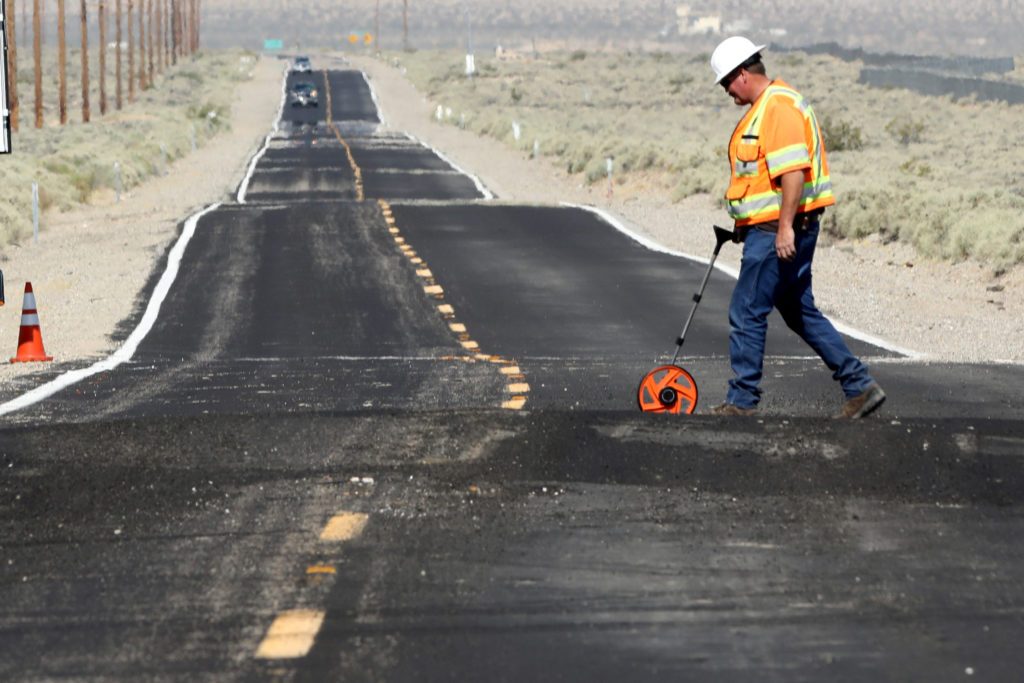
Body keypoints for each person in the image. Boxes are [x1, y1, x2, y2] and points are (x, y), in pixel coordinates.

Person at [706, 37, 885, 418]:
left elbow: (792, 174)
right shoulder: (767, 107)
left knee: (746, 309)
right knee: (797, 309)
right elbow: (760, 179)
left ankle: (741, 402)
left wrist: (784, 226)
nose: (726, 92)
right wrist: (744, 224)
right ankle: (860, 386)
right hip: (773, 227)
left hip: (778, 232)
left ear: (741, 74)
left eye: (725, 83)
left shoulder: (778, 108)